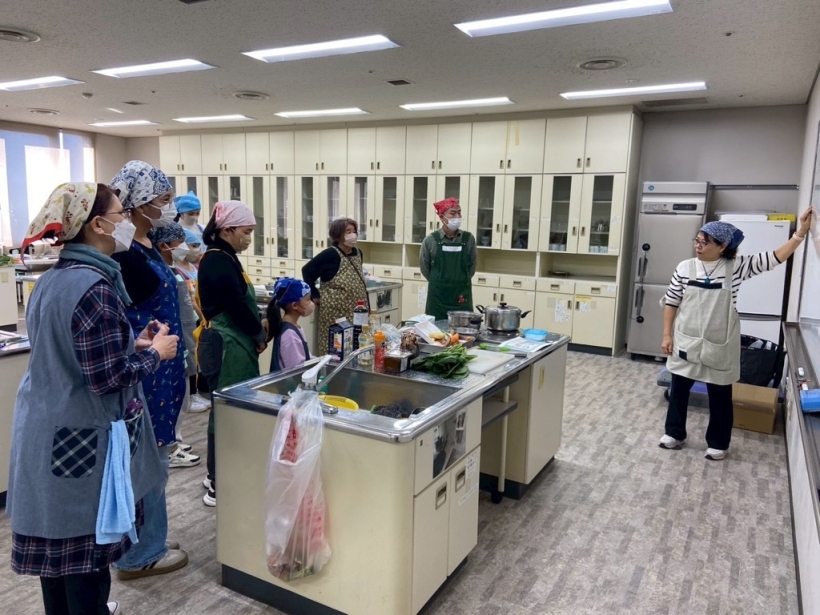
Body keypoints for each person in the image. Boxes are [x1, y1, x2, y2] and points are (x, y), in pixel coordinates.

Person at [7, 183, 175, 615]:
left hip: (45, 426)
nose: (126, 221)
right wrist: (156, 354)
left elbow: (70, 349)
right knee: (85, 563)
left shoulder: (54, 279)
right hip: (78, 437)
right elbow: (108, 379)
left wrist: (130, 342)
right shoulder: (94, 288)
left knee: (58, 560)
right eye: (120, 214)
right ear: (98, 224)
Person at [660, 208, 814, 460]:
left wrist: (800, 233)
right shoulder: (685, 268)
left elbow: (774, 258)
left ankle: (718, 443)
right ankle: (674, 433)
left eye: (705, 242)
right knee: (678, 389)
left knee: (720, 395)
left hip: (719, 344)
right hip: (686, 340)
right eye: (697, 240)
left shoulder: (737, 267)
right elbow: (671, 302)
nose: (698, 246)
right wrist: (667, 335)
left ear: (722, 247)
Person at [109, 161, 189, 579]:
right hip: (147, 369)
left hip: (162, 367)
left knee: (156, 458)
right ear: (139, 205)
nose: (169, 207)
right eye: (163, 199)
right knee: (145, 462)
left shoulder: (145, 244)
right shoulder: (127, 255)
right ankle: (139, 553)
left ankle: (152, 534)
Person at [197, 200, 266, 507]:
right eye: (246, 231)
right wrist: (258, 332)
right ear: (227, 230)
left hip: (234, 341)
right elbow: (236, 306)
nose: (249, 238)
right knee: (226, 412)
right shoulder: (217, 260)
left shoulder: (226, 256)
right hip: (225, 344)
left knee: (230, 410)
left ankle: (220, 472)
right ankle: (218, 482)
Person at [152, 223, 208, 461]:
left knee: (181, 397)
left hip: (184, 338)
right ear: (164, 245)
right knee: (170, 399)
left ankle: (175, 439)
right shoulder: (159, 272)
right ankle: (169, 446)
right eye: (180, 242)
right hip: (170, 343)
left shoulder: (174, 272)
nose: (184, 247)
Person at [302, 217, 369, 351]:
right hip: (335, 313)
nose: (353, 235)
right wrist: (314, 294)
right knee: (335, 347)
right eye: (348, 231)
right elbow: (307, 271)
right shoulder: (330, 254)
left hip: (357, 311)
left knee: (357, 344)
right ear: (338, 235)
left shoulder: (358, 253)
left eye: (354, 231)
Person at [420, 197, 477, 320]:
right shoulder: (431, 240)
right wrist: (439, 283)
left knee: (463, 330)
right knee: (436, 331)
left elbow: (472, 267)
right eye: (453, 213)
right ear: (442, 217)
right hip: (437, 300)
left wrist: (459, 281)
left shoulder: (468, 239)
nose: (457, 216)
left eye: (459, 213)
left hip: (461, 298)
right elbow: (425, 268)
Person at [175, 228, 211, 412]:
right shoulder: (178, 272)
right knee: (189, 356)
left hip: (201, 318)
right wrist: (203, 315)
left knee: (198, 357)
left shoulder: (195, 269)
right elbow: (190, 299)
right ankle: (190, 395)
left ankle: (197, 390)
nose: (197, 249)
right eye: (193, 245)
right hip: (193, 318)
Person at [265, 278, 315, 372]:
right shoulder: (290, 334)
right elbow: (297, 371)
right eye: (308, 299)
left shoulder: (295, 327)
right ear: (295, 305)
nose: (311, 303)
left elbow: (306, 356)